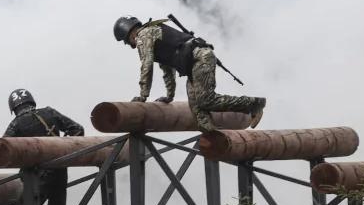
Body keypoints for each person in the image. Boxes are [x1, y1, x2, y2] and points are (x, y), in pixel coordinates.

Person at [112, 16, 266, 132]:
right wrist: (169, 96)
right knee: (197, 109)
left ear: (129, 35)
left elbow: (146, 66)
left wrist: (142, 96)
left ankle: (254, 104)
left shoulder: (143, 36)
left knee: (206, 100)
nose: (130, 45)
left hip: (199, 59)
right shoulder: (152, 35)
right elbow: (167, 70)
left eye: (127, 42)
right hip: (194, 64)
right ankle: (211, 135)